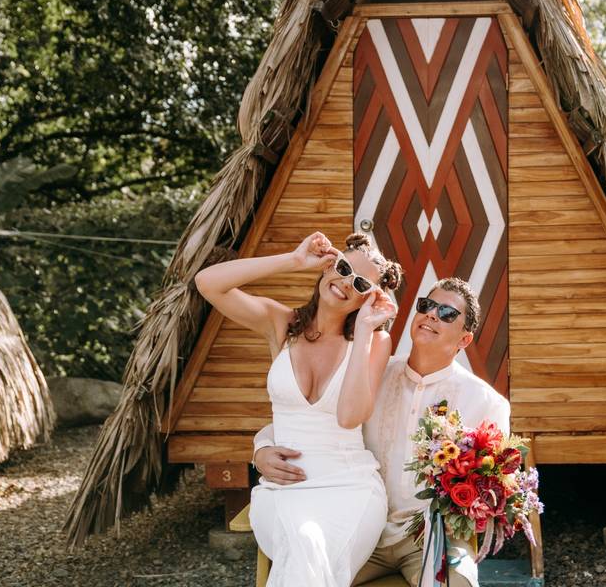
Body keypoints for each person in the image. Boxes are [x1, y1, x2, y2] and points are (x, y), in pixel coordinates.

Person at [254, 277, 510, 587]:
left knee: (458, 584)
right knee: (308, 571)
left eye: (447, 313)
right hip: (360, 526)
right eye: (427, 306)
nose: (431, 315)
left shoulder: (485, 403)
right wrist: (262, 449)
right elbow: (305, 421)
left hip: (427, 537)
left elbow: (493, 491)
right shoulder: (372, 375)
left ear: (464, 340)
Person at [194, 231, 401, 587]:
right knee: (305, 542)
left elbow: (350, 416)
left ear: (369, 299)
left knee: (307, 551)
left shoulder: (374, 341)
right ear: (327, 266)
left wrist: (366, 329)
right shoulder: (282, 324)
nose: (346, 282)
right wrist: (292, 260)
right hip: (283, 491)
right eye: (343, 267)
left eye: (361, 283)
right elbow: (207, 283)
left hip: (350, 489)